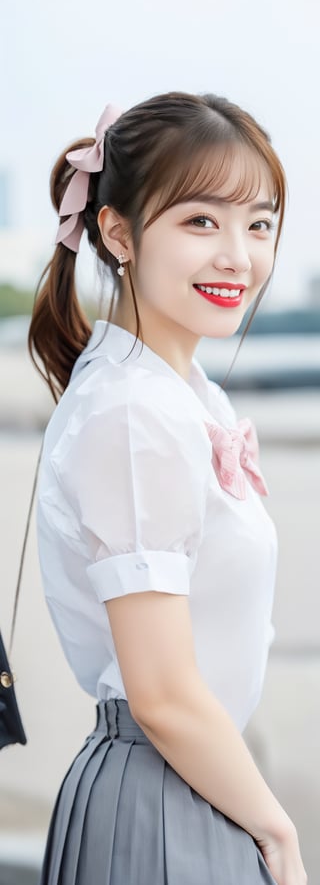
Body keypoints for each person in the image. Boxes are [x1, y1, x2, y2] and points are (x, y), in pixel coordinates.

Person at [28, 91, 307, 885]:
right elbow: (161, 693)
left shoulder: (178, 395)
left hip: (188, 781)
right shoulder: (132, 412)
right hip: (162, 789)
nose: (238, 256)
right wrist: (279, 833)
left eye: (258, 223)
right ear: (118, 231)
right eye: (200, 222)